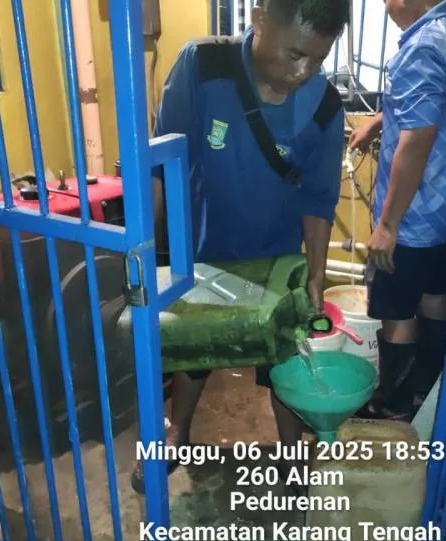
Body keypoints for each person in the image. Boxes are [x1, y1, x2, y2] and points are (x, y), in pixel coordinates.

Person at [132, 0, 350, 494]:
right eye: (295, 53)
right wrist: (150, 251)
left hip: (278, 259)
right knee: (193, 353)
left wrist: (316, 275)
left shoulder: (323, 106)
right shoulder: (203, 67)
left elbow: (319, 199)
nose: (303, 72)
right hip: (204, 251)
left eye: (318, 59)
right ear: (259, 18)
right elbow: (163, 163)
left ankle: (292, 453)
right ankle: (177, 431)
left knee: (285, 357)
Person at [349, 0, 446, 421]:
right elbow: (435, 103)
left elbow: (416, 141)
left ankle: (391, 406)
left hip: (413, 217)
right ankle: (425, 395)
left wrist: (388, 225)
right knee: (434, 296)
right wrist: (380, 119)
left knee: (397, 311)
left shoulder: (423, 46)